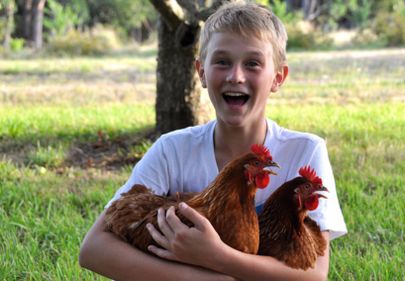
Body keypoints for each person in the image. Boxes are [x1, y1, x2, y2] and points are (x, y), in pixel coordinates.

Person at [79, 1, 347, 280]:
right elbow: (94, 249)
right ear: (201, 72)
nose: (235, 76)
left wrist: (217, 256)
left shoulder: (304, 151)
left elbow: (315, 275)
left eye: (253, 63)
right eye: (222, 62)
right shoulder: (172, 150)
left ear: (278, 78)